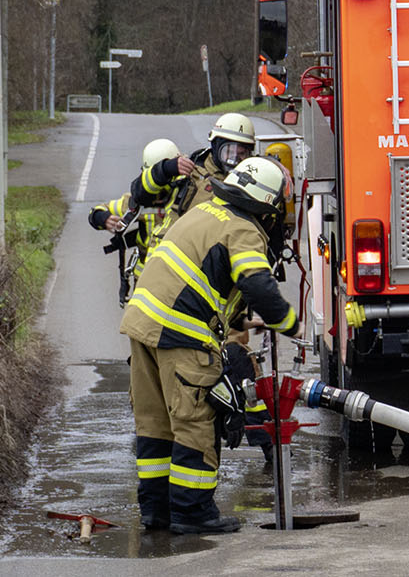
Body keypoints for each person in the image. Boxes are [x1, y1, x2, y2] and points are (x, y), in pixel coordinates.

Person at [120, 155, 298, 534]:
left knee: (155, 424)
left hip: (143, 326)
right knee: (194, 422)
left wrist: (235, 319)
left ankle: (156, 511)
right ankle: (192, 511)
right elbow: (258, 285)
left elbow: (201, 279)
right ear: (266, 203)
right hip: (181, 334)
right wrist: (289, 323)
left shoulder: (205, 211)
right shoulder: (242, 228)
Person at [129, 113, 255, 249]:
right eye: (229, 152)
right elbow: (139, 193)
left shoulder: (253, 181)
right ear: (216, 146)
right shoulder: (188, 170)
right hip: (169, 253)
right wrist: (165, 170)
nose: (235, 160)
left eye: (242, 154)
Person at [88, 139, 181, 302]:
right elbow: (97, 211)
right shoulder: (135, 202)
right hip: (144, 279)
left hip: (177, 278)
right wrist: (104, 218)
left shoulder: (186, 201)